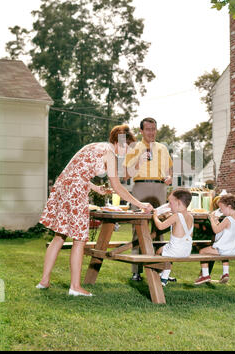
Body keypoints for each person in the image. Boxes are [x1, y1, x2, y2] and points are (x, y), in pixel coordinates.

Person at [36, 124, 153, 297]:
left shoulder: (95, 146)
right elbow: (118, 187)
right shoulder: (110, 154)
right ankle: (75, 287)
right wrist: (141, 205)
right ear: (119, 142)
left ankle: (44, 281)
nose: (128, 151)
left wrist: (94, 188)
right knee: (79, 238)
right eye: (127, 146)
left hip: (63, 186)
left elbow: (75, 171)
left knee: (59, 235)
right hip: (75, 191)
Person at [123, 117, 173, 281]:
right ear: (141, 131)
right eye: (148, 129)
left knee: (160, 229)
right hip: (140, 188)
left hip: (160, 188)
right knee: (139, 228)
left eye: (154, 129)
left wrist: (169, 177)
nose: (152, 132)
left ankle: (160, 270)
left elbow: (170, 169)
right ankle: (136, 271)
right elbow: (125, 175)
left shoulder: (163, 148)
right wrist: (138, 163)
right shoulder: (134, 148)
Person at [194, 193, 235, 285]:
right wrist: (216, 221)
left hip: (226, 249)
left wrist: (211, 219)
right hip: (234, 248)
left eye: (222, 209)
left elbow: (216, 230)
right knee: (223, 254)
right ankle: (225, 273)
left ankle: (205, 275)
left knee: (202, 252)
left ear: (229, 207)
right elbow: (222, 228)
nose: (222, 211)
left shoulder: (227, 219)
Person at [153, 188, 193, 286]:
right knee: (167, 249)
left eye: (170, 203)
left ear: (178, 202)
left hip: (175, 251)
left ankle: (158, 275)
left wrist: (155, 216)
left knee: (159, 251)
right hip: (186, 251)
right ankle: (165, 276)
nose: (169, 206)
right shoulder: (190, 216)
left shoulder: (176, 216)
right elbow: (179, 225)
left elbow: (160, 226)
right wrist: (168, 217)